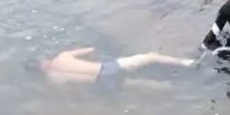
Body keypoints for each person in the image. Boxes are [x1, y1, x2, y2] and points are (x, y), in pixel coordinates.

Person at [39, 47, 195, 86]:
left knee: (146, 86)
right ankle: (185, 63)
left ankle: (172, 87)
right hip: (107, 67)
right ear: (43, 60)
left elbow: (73, 92)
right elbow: (90, 50)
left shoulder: (52, 78)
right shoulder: (63, 55)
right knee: (150, 57)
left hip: (101, 81)